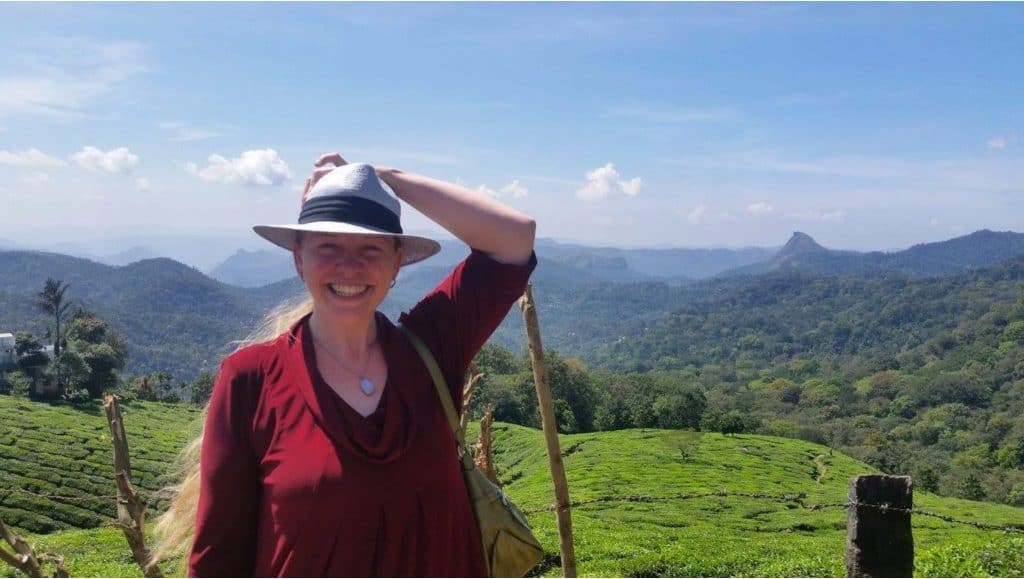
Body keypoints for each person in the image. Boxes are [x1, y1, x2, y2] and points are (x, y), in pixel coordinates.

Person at [153, 153, 537, 577]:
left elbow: (514, 237)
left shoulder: (433, 346)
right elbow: (218, 559)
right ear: (300, 259)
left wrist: (380, 177)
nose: (348, 266)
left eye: (370, 248)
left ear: (396, 263)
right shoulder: (250, 378)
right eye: (328, 247)